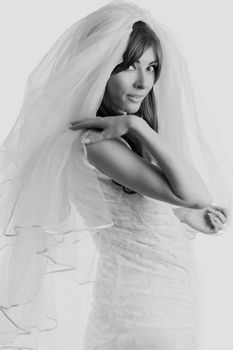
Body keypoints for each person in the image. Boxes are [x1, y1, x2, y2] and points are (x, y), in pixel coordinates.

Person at [0, 1, 232, 350]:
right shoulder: (94, 142)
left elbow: (154, 207)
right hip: (143, 314)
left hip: (160, 304)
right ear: (99, 69)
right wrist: (138, 126)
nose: (143, 82)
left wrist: (184, 218)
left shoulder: (112, 141)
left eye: (152, 67)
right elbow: (198, 193)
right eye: (128, 67)